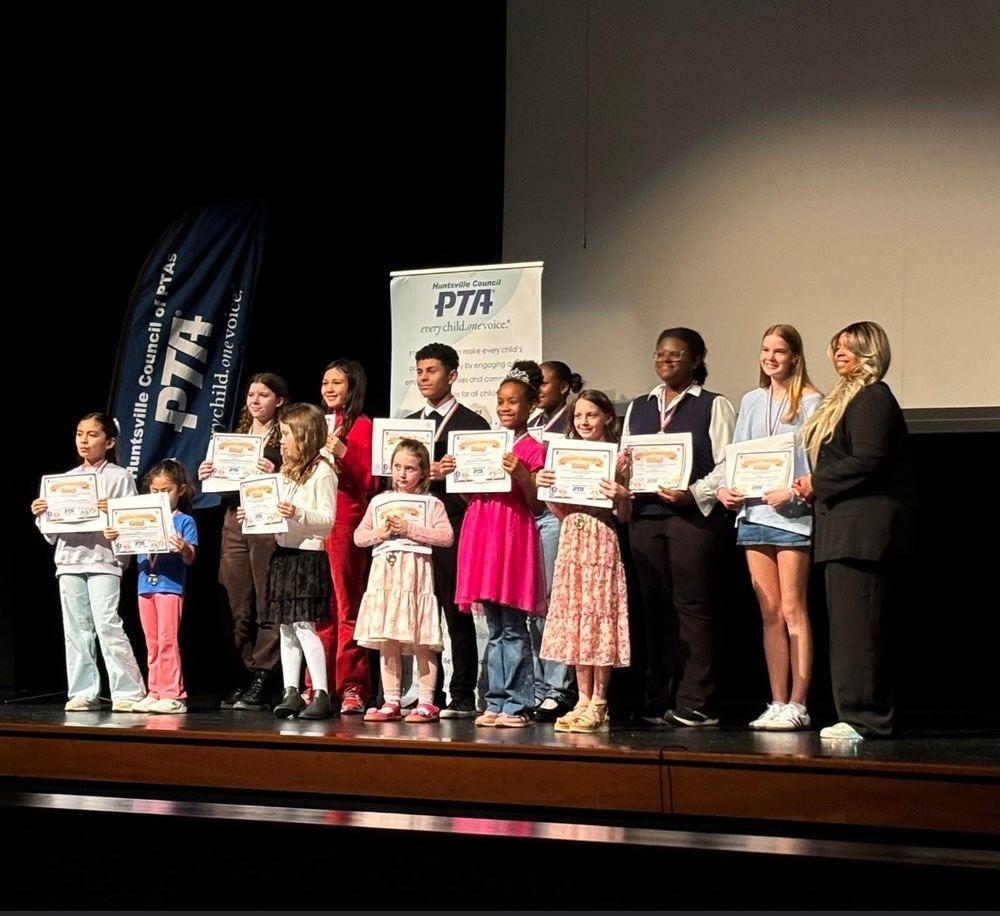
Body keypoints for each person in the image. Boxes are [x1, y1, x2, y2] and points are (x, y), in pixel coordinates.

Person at [794, 321, 914, 741]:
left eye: (850, 347)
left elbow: (869, 458)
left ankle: (867, 718)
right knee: (849, 630)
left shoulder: (872, 396)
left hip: (863, 534)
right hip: (844, 532)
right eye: (837, 347)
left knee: (859, 630)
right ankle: (856, 714)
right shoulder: (847, 398)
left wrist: (816, 482)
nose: (839, 353)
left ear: (870, 352)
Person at [622, 327, 736, 727]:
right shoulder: (639, 406)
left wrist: (694, 493)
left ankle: (697, 702)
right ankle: (658, 699)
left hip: (692, 519)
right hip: (646, 517)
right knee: (654, 608)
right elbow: (626, 457)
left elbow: (728, 462)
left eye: (675, 354)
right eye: (659, 354)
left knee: (693, 607)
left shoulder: (714, 404)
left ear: (697, 360)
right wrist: (623, 470)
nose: (665, 361)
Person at [717, 325, 822, 731]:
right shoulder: (751, 400)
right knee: (769, 612)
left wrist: (793, 492)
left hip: (792, 515)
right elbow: (736, 456)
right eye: (765, 350)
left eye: (779, 351)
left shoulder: (812, 402)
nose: (771, 358)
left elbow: (817, 465)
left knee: (794, 608)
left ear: (795, 356)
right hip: (753, 515)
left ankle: (799, 703)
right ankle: (777, 701)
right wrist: (727, 489)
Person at [447, 361, 548, 728]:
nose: (505, 408)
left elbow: (537, 504)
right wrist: (455, 474)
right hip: (481, 533)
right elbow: (471, 495)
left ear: (531, 405)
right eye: (501, 401)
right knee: (494, 627)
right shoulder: (485, 445)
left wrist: (521, 473)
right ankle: (495, 700)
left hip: (512, 535)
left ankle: (519, 703)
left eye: (513, 401)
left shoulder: (533, 448)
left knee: (514, 626)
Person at [30, 412, 146, 712]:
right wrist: (42, 513)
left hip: (103, 559)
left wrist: (114, 511)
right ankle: (83, 691)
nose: (84, 440)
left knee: (107, 624)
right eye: (80, 434)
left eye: (92, 435)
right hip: (70, 559)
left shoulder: (119, 477)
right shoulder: (64, 480)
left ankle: (128, 691)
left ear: (109, 442)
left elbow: (132, 520)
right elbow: (52, 532)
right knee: (76, 628)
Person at [536, 389, 631, 733]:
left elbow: (623, 516)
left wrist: (622, 494)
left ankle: (600, 702)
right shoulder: (564, 455)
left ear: (607, 417)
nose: (584, 421)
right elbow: (561, 511)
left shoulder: (617, 457)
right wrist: (546, 488)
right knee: (575, 619)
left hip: (600, 540)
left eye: (591, 414)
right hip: (571, 542)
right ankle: (582, 699)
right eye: (578, 416)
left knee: (597, 618)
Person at [407, 343, 491, 718]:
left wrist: (452, 475)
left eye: (432, 371)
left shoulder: (472, 425)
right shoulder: (408, 425)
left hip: (455, 524)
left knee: (456, 616)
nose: (424, 378)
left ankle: (462, 694)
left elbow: (484, 482)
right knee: (419, 614)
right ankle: (428, 694)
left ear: (452, 375)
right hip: (412, 526)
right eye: (419, 371)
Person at [240, 403, 338, 720]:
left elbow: (327, 520)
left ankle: (320, 693)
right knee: (285, 627)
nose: (280, 441)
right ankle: (290, 691)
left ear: (303, 435)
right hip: (284, 555)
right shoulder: (286, 472)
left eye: (285, 434)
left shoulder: (322, 471)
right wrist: (252, 515)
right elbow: (272, 511)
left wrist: (298, 513)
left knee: (304, 625)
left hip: (307, 555)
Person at [198, 372, 288, 712]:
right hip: (234, 519)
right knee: (234, 604)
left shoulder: (285, 439)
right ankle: (245, 672)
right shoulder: (234, 440)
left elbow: (296, 481)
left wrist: (275, 473)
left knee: (266, 600)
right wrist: (209, 475)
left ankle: (265, 674)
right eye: (251, 394)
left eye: (263, 395)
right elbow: (224, 487)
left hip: (265, 520)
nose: (255, 400)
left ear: (279, 401)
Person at [353, 440, 454, 724]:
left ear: (422, 472)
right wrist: (381, 533)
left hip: (415, 577)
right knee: (388, 639)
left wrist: (411, 529)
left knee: (422, 639)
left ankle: (426, 701)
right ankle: (391, 701)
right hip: (385, 576)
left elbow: (446, 537)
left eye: (410, 468)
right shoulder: (379, 501)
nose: (402, 473)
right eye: (397, 467)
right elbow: (359, 537)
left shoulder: (432, 503)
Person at [316, 359, 380, 715]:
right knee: (317, 608)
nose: (329, 389)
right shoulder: (317, 422)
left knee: (346, 607)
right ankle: (318, 685)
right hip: (314, 520)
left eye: (337, 382)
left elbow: (371, 482)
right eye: (325, 382)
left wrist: (343, 452)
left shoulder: (363, 426)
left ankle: (353, 686)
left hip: (344, 520)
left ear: (352, 386)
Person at [109, 459, 198, 714]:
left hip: (170, 587)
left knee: (167, 640)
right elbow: (125, 546)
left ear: (180, 490)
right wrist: (115, 536)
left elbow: (191, 558)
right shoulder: (141, 518)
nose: (159, 496)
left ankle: (173, 693)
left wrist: (184, 548)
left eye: (166, 491)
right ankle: (155, 690)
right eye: (154, 490)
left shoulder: (184, 521)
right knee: (152, 642)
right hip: (144, 585)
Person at [528, 360, 584, 722]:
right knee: (530, 605)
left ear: (564, 387)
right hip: (526, 516)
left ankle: (558, 688)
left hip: (555, 516)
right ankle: (537, 686)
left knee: (553, 601)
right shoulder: (531, 424)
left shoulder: (572, 425)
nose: (537, 390)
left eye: (544, 383)